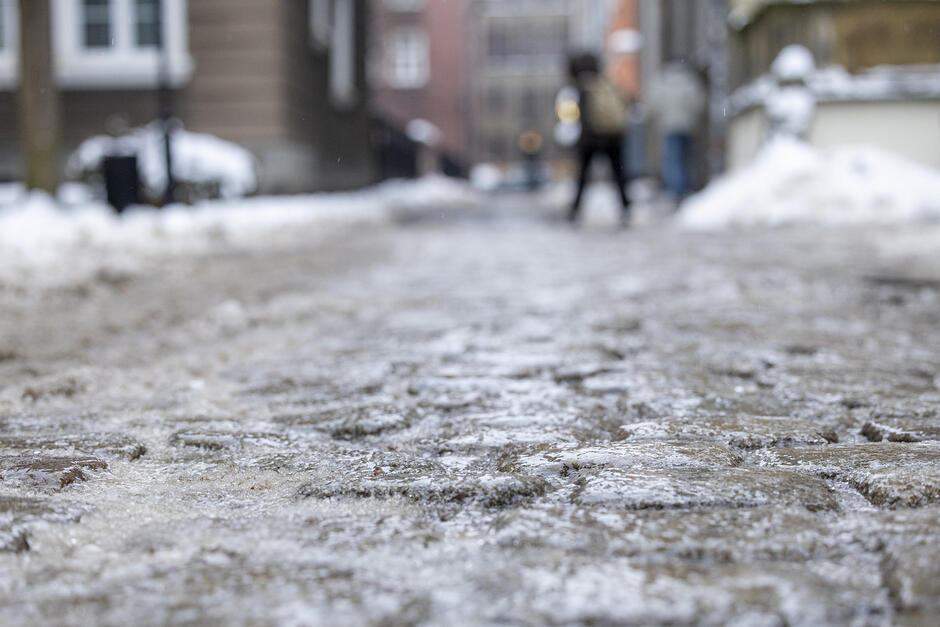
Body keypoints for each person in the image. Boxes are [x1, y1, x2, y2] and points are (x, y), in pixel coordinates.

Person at [567, 53, 631, 224]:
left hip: (592, 139)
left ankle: (575, 210)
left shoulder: (583, 87)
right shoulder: (605, 84)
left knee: (583, 175)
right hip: (613, 136)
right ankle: (626, 207)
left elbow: (583, 118)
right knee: (619, 174)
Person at [649, 59, 705, 201]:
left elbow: (654, 103)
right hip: (687, 126)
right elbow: (699, 103)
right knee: (687, 158)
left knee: (672, 160)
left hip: (669, 126)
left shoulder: (662, 81)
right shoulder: (689, 81)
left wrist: (662, 117)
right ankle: (685, 188)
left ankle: (676, 191)